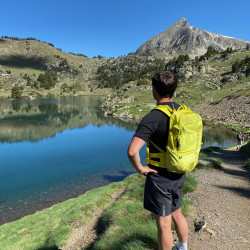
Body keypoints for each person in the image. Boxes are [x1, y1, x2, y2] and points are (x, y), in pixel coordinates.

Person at [127, 70, 188, 250]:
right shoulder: (182, 111)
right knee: (177, 213)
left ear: (154, 90)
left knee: (163, 223)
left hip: (160, 176)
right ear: (173, 89)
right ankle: (183, 247)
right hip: (180, 171)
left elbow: (132, 151)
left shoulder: (152, 117)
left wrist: (140, 168)